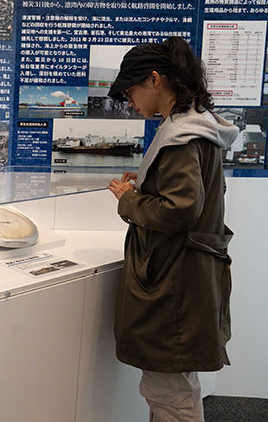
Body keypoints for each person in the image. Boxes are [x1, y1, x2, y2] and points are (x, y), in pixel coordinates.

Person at [106, 37, 238, 422]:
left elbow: (180, 210)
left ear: (154, 80)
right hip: (187, 274)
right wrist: (149, 185)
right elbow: (195, 196)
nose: (130, 102)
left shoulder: (181, 135)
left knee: (168, 392)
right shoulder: (197, 124)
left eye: (131, 91)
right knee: (174, 385)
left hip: (174, 280)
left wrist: (129, 200)